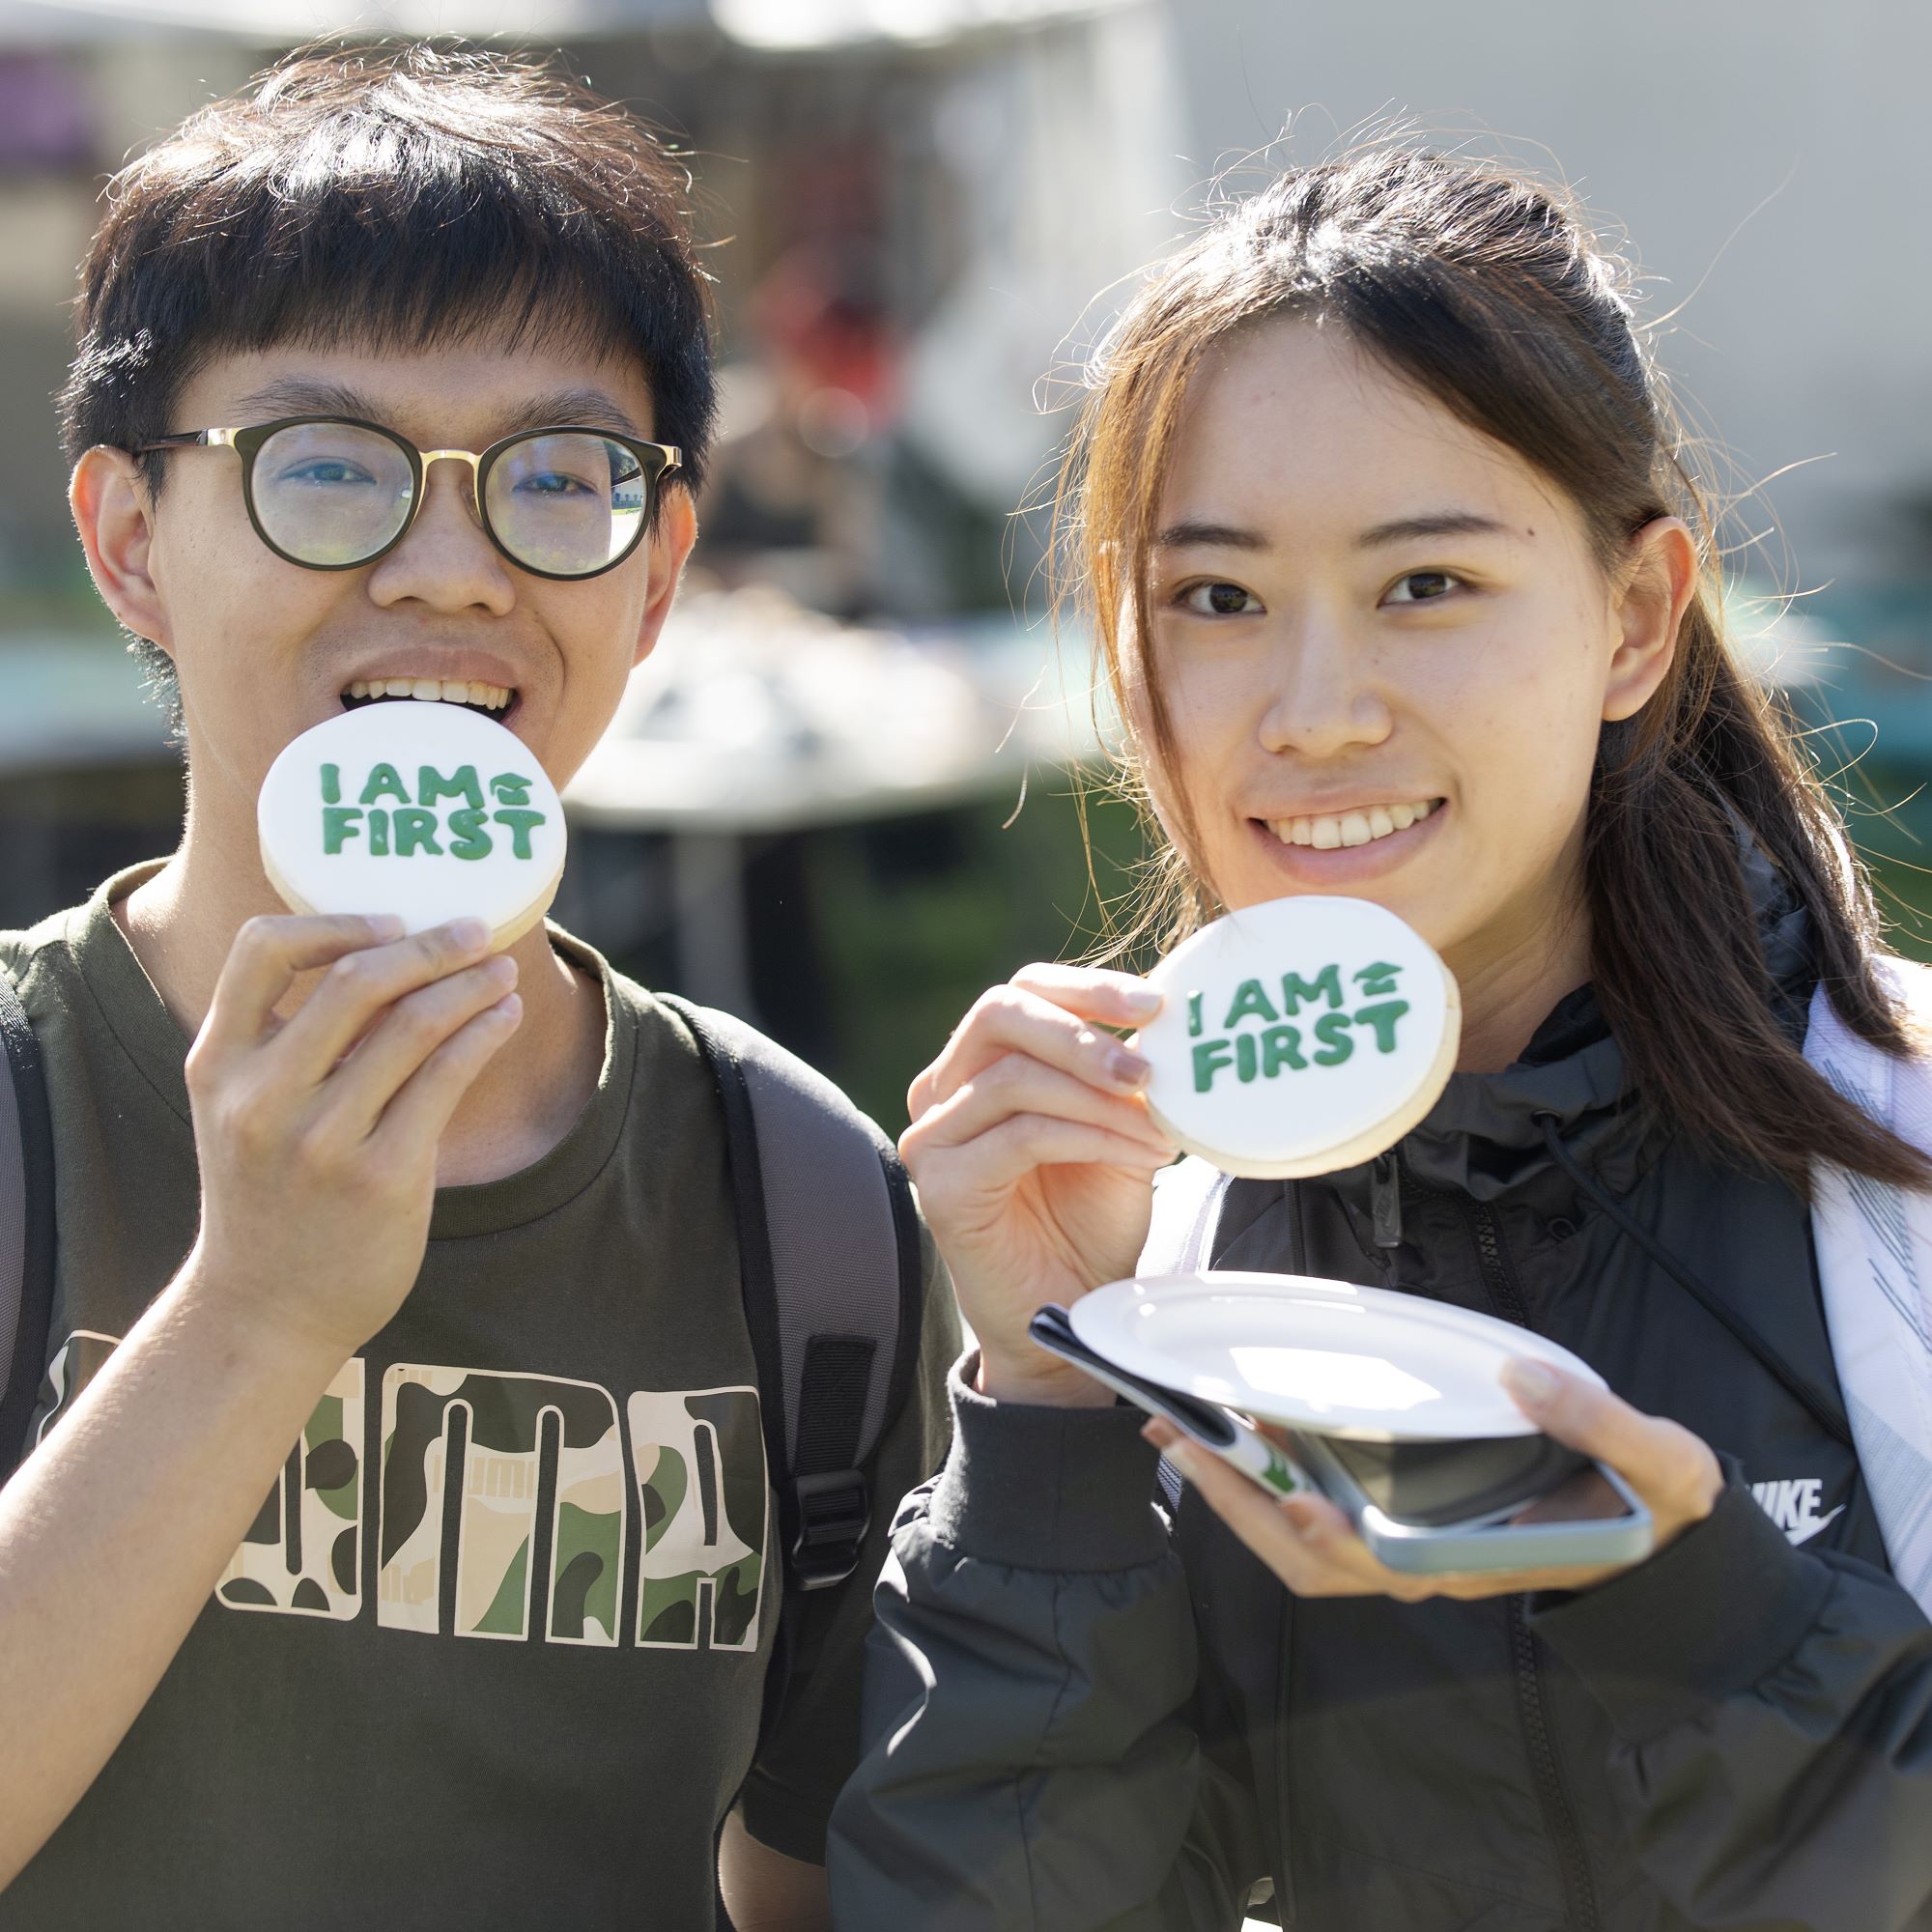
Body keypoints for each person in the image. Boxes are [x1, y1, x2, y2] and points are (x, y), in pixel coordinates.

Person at [828, 148, 1932, 1929]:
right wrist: (1048, 1402)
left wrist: (1700, 1608)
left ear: (1638, 617)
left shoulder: (1900, 1174)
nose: (1318, 713)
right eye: (1218, 601)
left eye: (1426, 585)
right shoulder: (1154, 1263)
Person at [0, 42, 955, 1928]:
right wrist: (253, 1314)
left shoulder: (808, 1206)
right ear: (129, 540)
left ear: (659, 572)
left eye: (558, 475)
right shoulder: (25, 1111)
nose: (451, 566)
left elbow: (820, 1883)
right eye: (329, 468)